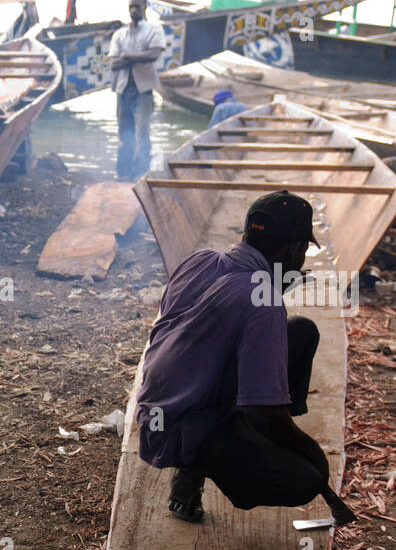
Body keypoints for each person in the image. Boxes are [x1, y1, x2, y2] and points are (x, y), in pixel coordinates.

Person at [134, 190, 356, 527]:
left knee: (300, 332)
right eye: (303, 251)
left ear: (247, 234)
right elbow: (264, 412)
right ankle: (193, 465)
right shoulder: (262, 298)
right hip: (181, 427)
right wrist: (309, 451)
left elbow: (202, 327)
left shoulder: (200, 260)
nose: (303, 260)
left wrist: (270, 290)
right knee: (303, 479)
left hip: (157, 410)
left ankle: (234, 437)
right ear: (294, 249)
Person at [108, 0, 164, 181]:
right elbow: (113, 64)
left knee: (142, 134)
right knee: (124, 134)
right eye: (131, 6)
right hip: (122, 89)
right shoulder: (120, 34)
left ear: (145, 7)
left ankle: (141, 175)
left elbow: (154, 55)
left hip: (143, 90)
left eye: (137, 7)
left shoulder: (154, 30)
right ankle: (123, 174)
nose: (134, 10)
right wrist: (137, 57)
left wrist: (126, 56)